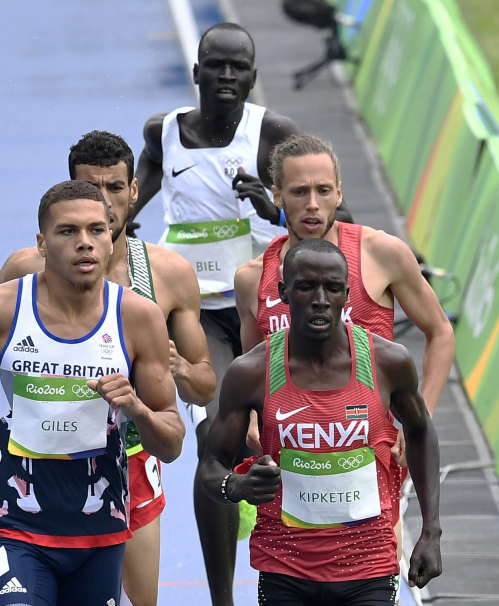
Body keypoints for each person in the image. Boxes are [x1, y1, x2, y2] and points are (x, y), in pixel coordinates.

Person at [132, 22, 333, 604]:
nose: (225, 77)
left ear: (252, 74)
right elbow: (131, 196)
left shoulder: (273, 132)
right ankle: (224, 595)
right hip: (195, 313)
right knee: (214, 433)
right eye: (214, 66)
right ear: (195, 73)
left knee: (285, 431)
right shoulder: (163, 133)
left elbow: (316, 216)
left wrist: (270, 207)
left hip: (263, 304)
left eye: (237, 68)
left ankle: (308, 556)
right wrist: (113, 221)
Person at [0, 180, 187, 605]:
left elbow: (170, 442)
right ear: (41, 242)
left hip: (100, 531)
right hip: (15, 526)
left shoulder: (137, 318)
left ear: (111, 238)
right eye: (67, 232)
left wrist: (138, 410)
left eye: (97, 230)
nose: (85, 243)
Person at [0, 131, 215, 606]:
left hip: (131, 458)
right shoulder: (24, 269)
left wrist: (175, 367)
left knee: (139, 600)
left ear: (135, 191)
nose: (106, 203)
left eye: (115, 188)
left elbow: (205, 385)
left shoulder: (168, 275)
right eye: (91, 190)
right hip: (44, 459)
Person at [233, 134, 456, 564]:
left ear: (340, 192)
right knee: (300, 571)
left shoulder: (381, 253)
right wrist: (254, 424)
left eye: (323, 190)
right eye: (299, 192)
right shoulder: (252, 279)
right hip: (295, 455)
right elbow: (253, 366)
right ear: (277, 195)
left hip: (371, 448)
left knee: (365, 566)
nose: (313, 204)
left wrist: (418, 419)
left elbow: (440, 332)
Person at [201, 238, 442, 605]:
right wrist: (237, 486)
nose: (320, 299)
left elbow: (422, 430)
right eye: (306, 286)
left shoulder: (388, 362)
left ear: (347, 294)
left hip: (368, 567)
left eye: (332, 288)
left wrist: (430, 531)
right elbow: (210, 466)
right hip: (286, 569)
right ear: (283, 292)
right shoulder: (251, 371)